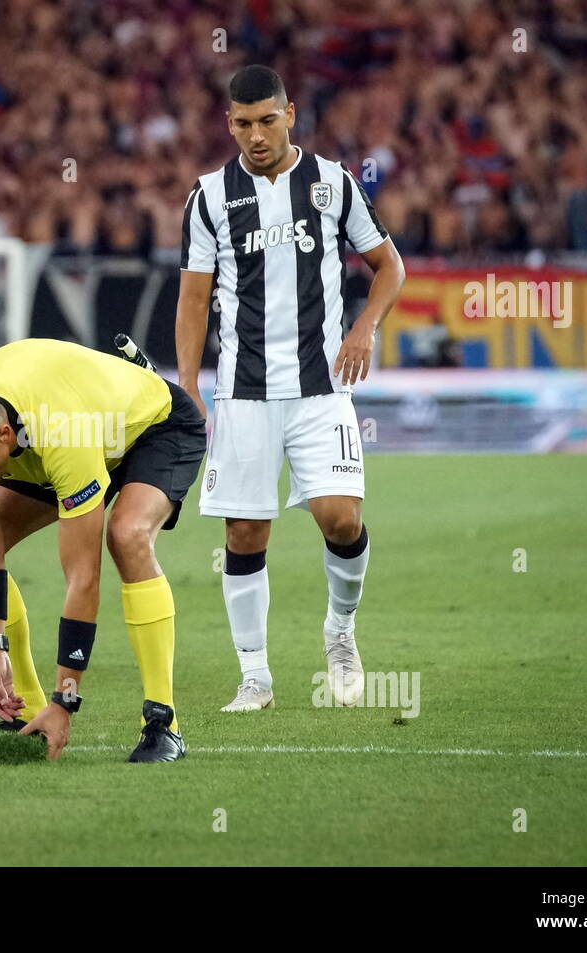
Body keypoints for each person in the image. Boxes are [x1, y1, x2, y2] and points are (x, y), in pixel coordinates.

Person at [174, 65, 406, 712]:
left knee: (342, 517)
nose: (256, 135)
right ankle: (256, 677)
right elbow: (193, 300)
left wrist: (362, 330)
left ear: (290, 114)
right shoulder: (210, 196)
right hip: (244, 393)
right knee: (245, 535)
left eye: (267, 120)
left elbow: (389, 266)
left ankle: (340, 633)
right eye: (243, 123)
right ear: (230, 123)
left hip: (320, 389)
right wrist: (188, 383)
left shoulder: (333, 183)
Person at [0, 338, 206, 761]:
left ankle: (163, 723)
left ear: (4, 435)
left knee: (126, 536)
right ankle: (24, 713)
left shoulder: (62, 434)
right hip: (65, 434)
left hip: (152, 428)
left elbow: (82, 577)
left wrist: (66, 698)